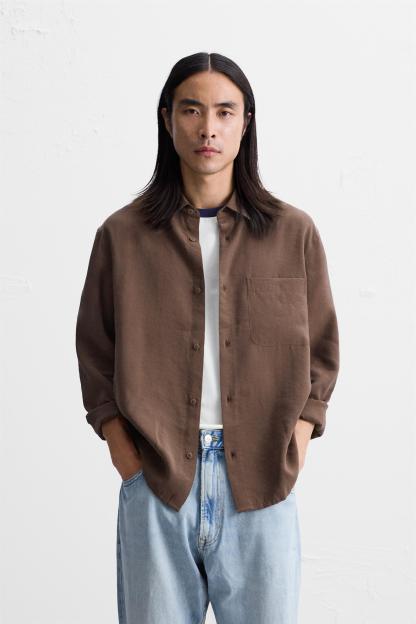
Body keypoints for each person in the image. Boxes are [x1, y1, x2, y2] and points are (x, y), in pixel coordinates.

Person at [75, 51, 340, 624]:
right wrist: (125, 452)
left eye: (225, 111)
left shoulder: (292, 233)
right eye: (192, 110)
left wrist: (298, 436)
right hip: (159, 480)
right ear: (167, 119)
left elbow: (322, 348)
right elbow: (95, 350)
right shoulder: (122, 235)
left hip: (262, 482)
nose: (208, 128)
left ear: (246, 124)